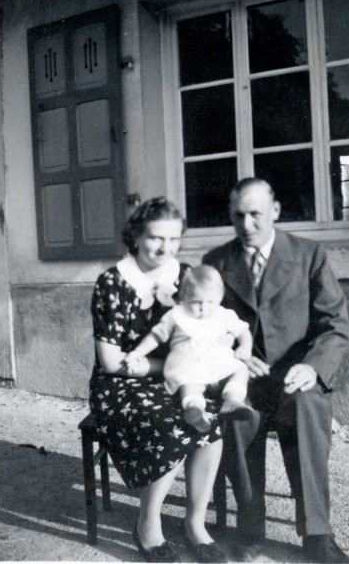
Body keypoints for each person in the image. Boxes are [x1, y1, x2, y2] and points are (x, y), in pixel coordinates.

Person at [203, 178, 349, 564]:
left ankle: (317, 535)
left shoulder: (309, 254)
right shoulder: (216, 263)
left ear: (275, 211)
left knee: (305, 409)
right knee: (236, 415)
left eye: (255, 214)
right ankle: (250, 529)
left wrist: (313, 367)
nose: (247, 224)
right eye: (238, 215)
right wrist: (232, 356)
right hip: (243, 375)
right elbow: (202, 329)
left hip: (295, 375)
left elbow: (335, 324)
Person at [89, 197, 227, 563]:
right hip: (119, 383)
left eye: (174, 240)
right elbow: (111, 361)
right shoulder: (112, 283)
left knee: (210, 424)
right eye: (155, 239)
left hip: (175, 374)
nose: (165, 248)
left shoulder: (184, 276)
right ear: (136, 236)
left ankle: (195, 524)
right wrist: (161, 366)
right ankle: (147, 525)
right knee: (171, 425)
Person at [123, 264, 256, 434]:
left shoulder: (223, 314)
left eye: (210, 302)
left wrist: (245, 346)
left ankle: (232, 400)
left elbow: (243, 331)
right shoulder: (176, 314)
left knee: (240, 370)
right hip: (188, 363)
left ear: (220, 297)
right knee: (189, 383)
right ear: (185, 297)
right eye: (197, 302)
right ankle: (194, 410)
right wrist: (137, 353)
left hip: (218, 361)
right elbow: (155, 336)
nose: (204, 308)